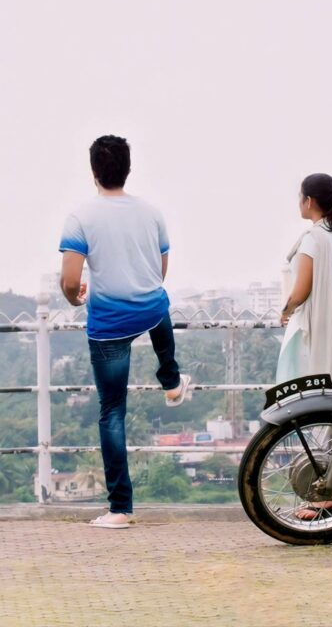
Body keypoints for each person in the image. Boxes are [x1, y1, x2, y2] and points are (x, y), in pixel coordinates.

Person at [59, 134, 190, 529]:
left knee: (112, 412)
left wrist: (75, 298)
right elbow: (160, 269)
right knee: (159, 309)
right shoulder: (151, 213)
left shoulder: (80, 217)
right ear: (128, 169)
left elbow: (70, 280)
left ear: (93, 171)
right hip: (150, 310)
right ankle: (171, 382)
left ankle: (120, 509)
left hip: (109, 323)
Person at [277, 173, 332, 520]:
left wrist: (287, 310)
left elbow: (301, 289)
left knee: (315, 401)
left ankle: (326, 493)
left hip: (316, 328)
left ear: (309, 201)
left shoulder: (313, 238)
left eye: (300, 197)